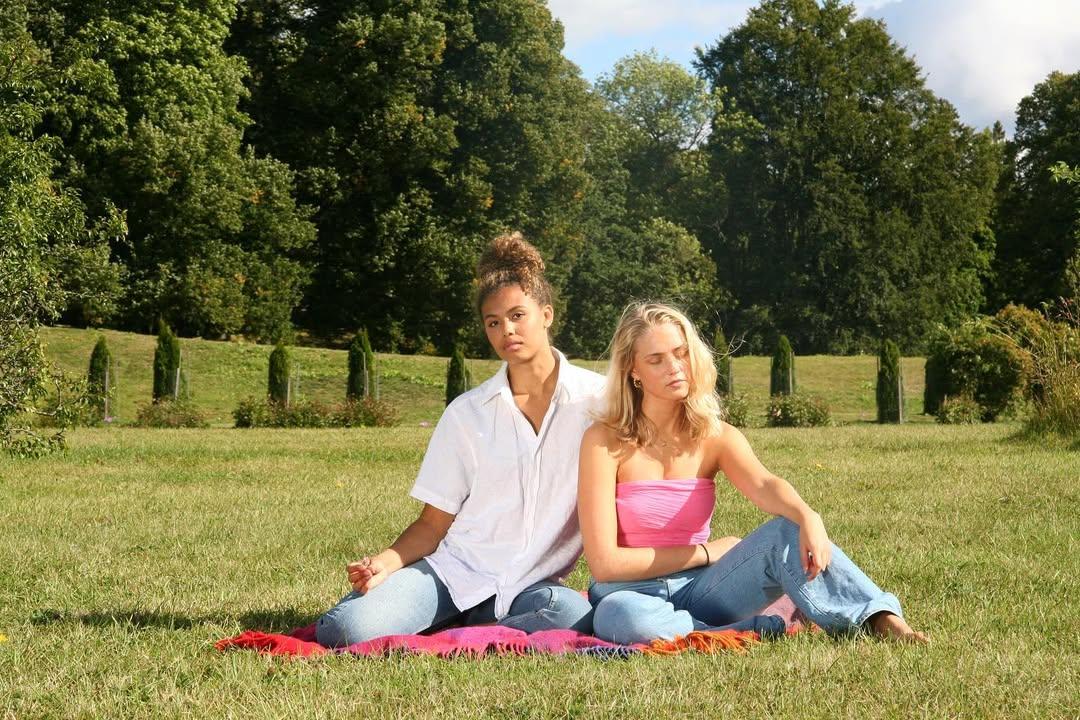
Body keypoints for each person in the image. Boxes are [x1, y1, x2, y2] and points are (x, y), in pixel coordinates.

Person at [577, 301, 929, 645]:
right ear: (633, 370)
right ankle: (745, 630)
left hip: (704, 589)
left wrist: (808, 515)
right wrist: (707, 552)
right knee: (621, 617)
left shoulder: (715, 436)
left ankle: (879, 618)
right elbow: (606, 564)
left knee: (785, 531)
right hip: (630, 595)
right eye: (656, 360)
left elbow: (764, 484)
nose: (675, 367)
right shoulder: (603, 441)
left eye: (681, 353)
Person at [316, 232, 605, 647]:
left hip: (532, 586)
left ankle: (459, 627)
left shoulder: (599, 401)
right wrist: (386, 562)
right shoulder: (467, 413)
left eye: (517, 315)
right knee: (346, 629)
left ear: (546, 315)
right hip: (453, 575)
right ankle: (464, 623)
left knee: (574, 615)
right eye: (493, 322)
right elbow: (433, 523)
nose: (507, 330)